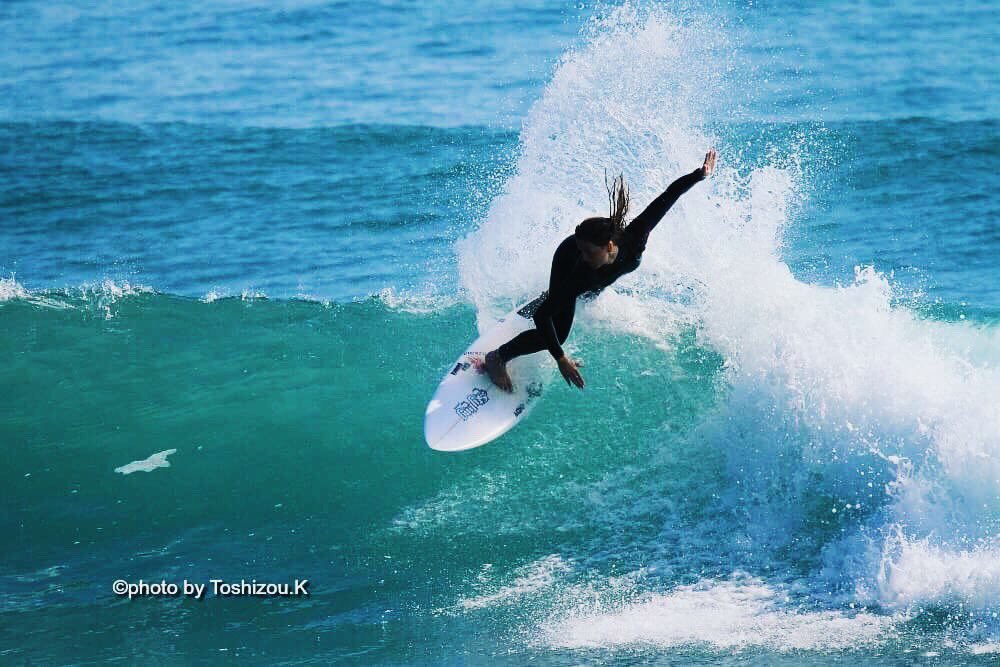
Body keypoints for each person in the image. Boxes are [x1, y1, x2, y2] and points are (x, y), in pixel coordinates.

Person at [484, 148, 717, 392]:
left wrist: (699, 175)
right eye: (583, 252)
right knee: (557, 328)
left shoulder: (634, 237)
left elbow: (668, 197)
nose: (584, 257)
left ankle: (554, 297)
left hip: (598, 278)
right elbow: (541, 316)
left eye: (588, 252)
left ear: (609, 246)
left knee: (591, 289)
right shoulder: (579, 269)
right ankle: (498, 357)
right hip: (565, 263)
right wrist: (561, 358)